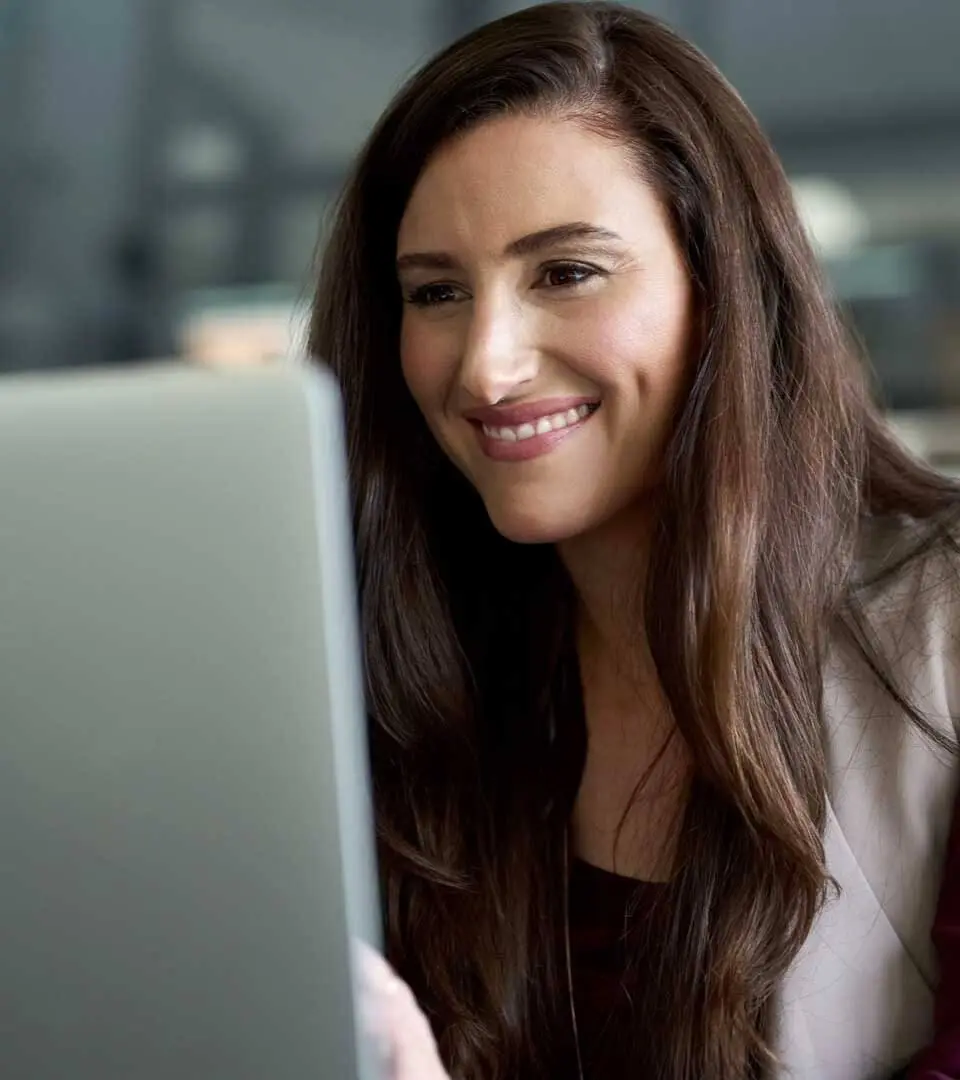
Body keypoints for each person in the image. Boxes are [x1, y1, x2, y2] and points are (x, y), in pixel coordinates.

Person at [309, 3, 960, 1078]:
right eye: (436, 293)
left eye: (565, 272)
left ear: (723, 292)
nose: (485, 366)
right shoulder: (397, 674)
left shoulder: (938, 631)